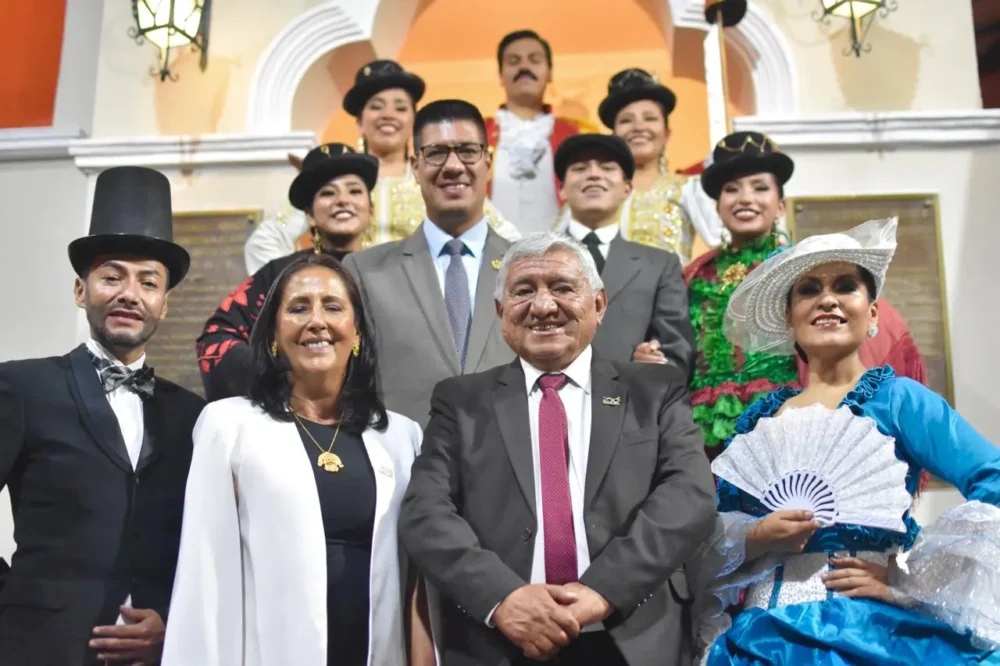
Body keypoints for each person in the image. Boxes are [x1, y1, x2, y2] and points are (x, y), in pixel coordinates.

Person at [399, 231, 717, 665]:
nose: (544, 306)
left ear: (599, 305)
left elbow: (689, 497)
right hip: (500, 640)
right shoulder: (461, 401)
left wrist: (603, 590)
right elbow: (426, 512)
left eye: (563, 288)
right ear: (500, 312)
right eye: (523, 291)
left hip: (631, 635)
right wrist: (503, 599)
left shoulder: (654, 390)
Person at [693, 217, 1000, 664]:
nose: (827, 299)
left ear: (872, 313)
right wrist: (756, 536)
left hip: (862, 636)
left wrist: (911, 583)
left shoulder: (898, 400)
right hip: (755, 641)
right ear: (789, 317)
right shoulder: (758, 420)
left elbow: (993, 481)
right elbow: (710, 537)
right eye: (808, 289)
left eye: (845, 286)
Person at [162, 254, 436, 666]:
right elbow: (203, 577)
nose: (316, 321)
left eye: (333, 307)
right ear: (273, 333)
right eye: (298, 308)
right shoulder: (228, 425)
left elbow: (415, 582)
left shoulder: (401, 436)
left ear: (357, 331)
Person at [0, 166, 205, 665]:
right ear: (81, 291)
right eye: (111, 277)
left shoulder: (193, 414)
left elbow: (203, 541)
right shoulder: (22, 387)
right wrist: (14, 603)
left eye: (148, 282)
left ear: (163, 305)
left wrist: (172, 620)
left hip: (156, 655)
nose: (129, 293)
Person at [685, 131, 926, 459]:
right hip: (704, 437)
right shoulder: (694, 275)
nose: (745, 198)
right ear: (717, 206)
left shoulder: (806, 269)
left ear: (780, 205)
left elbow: (858, 317)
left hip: (792, 426)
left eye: (759, 188)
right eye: (732, 189)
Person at [245, 60, 519, 274]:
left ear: (413, 121)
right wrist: (297, 286)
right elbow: (265, 240)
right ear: (360, 121)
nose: (388, 115)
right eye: (376, 107)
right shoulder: (335, 180)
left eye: (400, 108)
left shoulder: (436, 179)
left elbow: (508, 240)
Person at [344, 100, 516, 427]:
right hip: (405, 455)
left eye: (467, 151)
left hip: (512, 453)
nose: (453, 166)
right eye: (436, 153)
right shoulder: (365, 272)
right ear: (415, 166)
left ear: (488, 162)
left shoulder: (529, 267)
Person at [197, 143, 377, 402]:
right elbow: (216, 338)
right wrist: (277, 382)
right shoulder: (280, 274)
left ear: (370, 210)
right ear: (310, 215)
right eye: (328, 193)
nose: (342, 200)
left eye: (355, 191)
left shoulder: (392, 272)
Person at [554, 133, 694, 371]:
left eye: (607, 168)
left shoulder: (659, 265)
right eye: (580, 168)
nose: (594, 174)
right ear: (562, 190)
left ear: (627, 188)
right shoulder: (534, 260)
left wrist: (655, 362)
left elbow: (676, 349)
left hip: (631, 392)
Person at [557, 68, 722, 262]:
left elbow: (725, 243)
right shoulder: (592, 192)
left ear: (666, 133)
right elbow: (554, 252)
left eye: (650, 118)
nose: (639, 127)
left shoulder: (687, 189)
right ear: (614, 135)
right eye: (626, 120)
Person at [486, 30, 598, 236]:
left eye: (534, 60)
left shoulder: (579, 135)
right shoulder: (477, 134)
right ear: (500, 75)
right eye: (513, 61)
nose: (524, 67)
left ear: (550, 73)